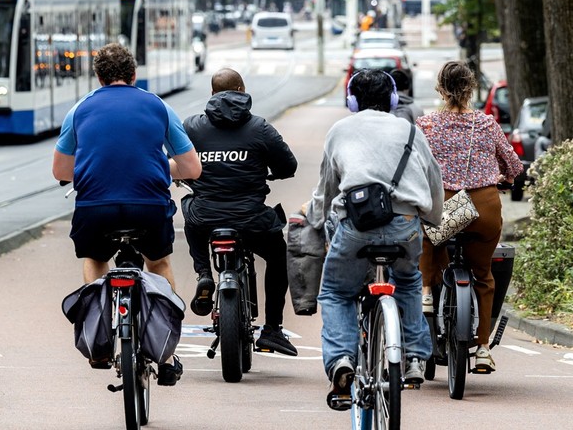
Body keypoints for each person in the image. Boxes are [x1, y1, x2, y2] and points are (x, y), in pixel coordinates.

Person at [51, 42, 202, 387]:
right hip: (148, 207)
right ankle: (167, 354)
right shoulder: (158, 106)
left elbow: (60, 169)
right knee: (158, 263)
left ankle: (99, 341)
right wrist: (159, 168)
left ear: (99, 78)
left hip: (96, 209)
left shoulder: (80, 109)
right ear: (134, 76)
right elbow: (192, 169)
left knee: (94, 257)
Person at [310, 69, 444, 408]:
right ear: (394, 99)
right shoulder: (412, 131)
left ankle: (341, 359)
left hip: (357, 227)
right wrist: (432, 219)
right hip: (406, 224)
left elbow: (327, 187)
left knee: (336, 292)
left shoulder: (339, 130)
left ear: (352, 100)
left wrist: (314, 218)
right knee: (409, 280)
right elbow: (433, 180)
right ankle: (414, 357)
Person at [180, 68, 299, 356]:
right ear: (243, 90)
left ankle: (204, 274)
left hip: (206, 217)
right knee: (277, 255)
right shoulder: (260, 128)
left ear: (212, 94)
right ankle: (272, 328)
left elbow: (176, 161)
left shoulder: (192, 126)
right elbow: (289, 166)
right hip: (250, 219)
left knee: (189, 212)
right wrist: (271, 173)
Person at [415, 61, 523, 372]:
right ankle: (484, 349)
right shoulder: (487, 124)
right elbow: (514, 167)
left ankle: (425, 292)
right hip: (484, 207)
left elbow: (415, 166)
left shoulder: (426, 125)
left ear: (440, 88)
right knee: (484, 275)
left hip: (446, 206)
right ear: (471, 88)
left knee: (426, 235)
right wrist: (503, 177)